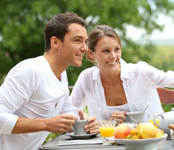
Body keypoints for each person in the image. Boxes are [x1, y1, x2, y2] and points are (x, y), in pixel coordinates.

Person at [70, 25, 174, 124]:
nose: (114, 56)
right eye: (106, 51)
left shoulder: (140, 71)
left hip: (151, 140)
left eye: (117, 49)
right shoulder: (87, 78)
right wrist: (93, 122)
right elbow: (71, 111)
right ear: (91, 53)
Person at [0, 13, 99, 150]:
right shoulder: (30, 71)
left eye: (85, 41)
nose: (85, 48)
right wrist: (46, 124)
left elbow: (69, 119)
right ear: (55, 42)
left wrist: (86, 124)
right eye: (77, 40)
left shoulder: (61, 75)